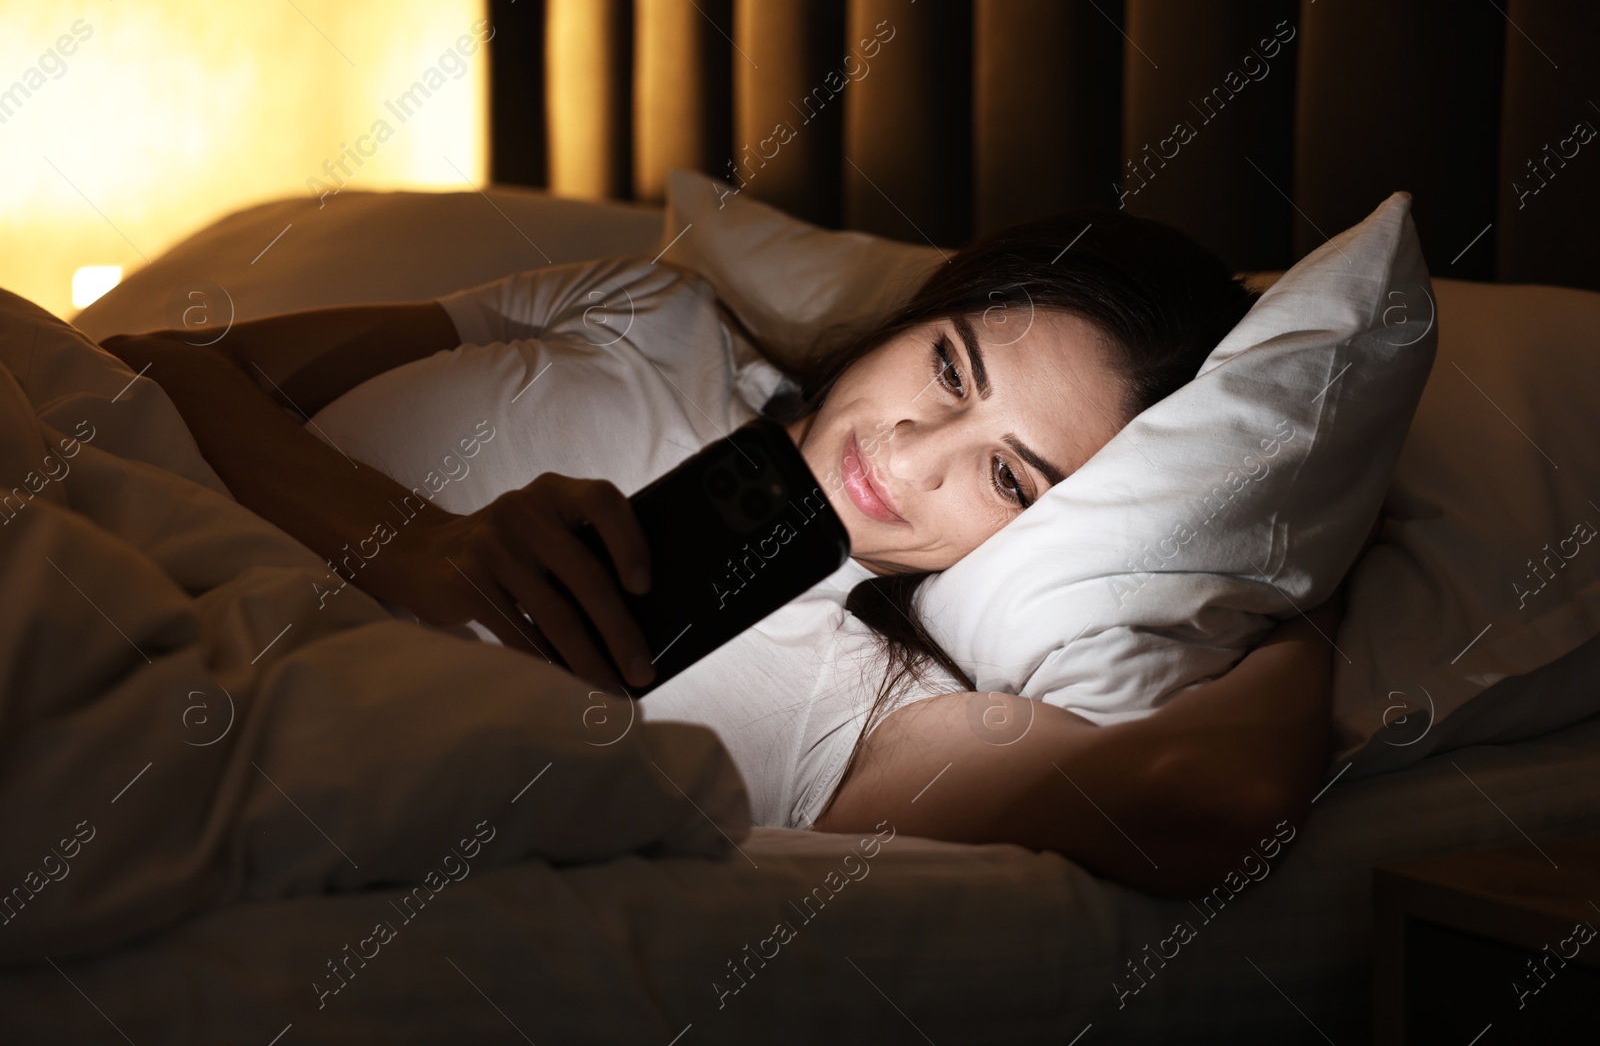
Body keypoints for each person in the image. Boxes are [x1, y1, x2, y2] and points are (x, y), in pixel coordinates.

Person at [105, 210, 1358, 895]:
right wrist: (418, 547)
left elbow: (1210, 804)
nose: (914, 449)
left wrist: (1289, 590)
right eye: (949, 369)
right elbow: (159, 362)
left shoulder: (888, 708)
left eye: (1006, 475)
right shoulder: (655, 314)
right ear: (916, 316)